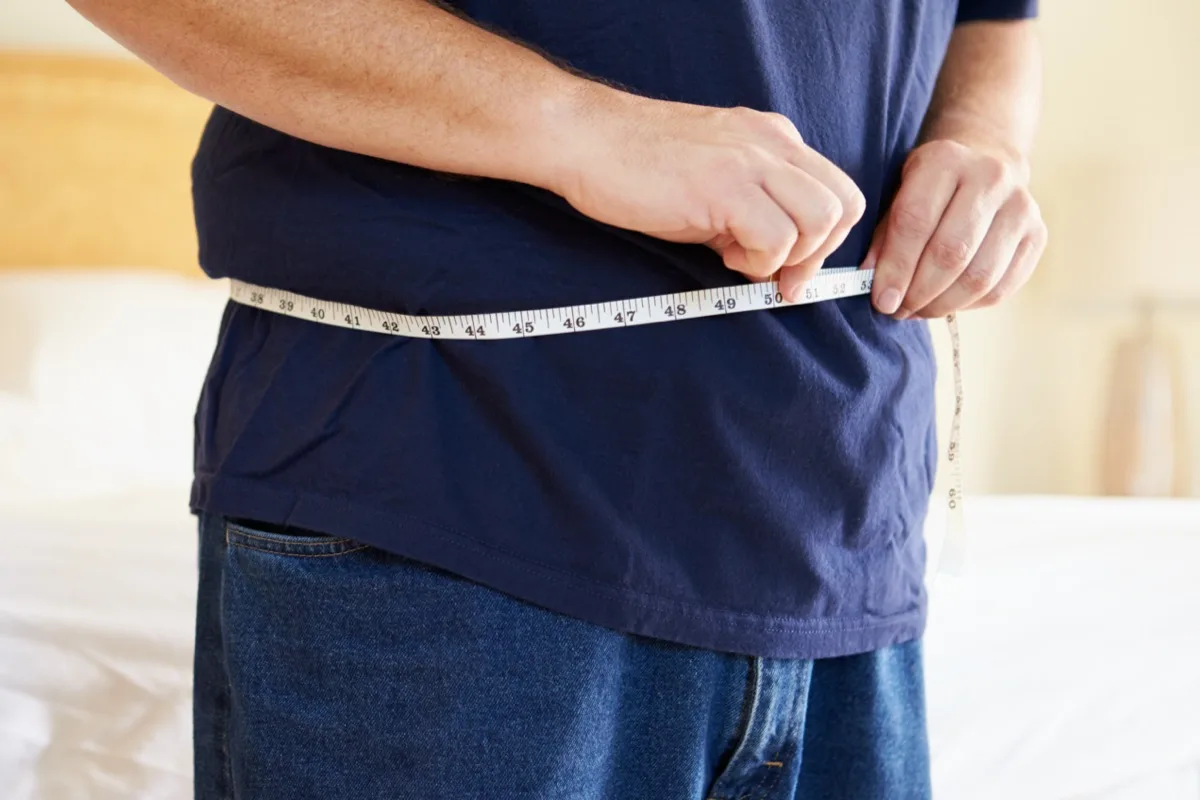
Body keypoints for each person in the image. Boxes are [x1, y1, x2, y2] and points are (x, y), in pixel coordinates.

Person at [70, 0, 1046, 797]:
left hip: (846, 540)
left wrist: (985, 140)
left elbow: (994, 16)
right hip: (448, 518)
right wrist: (579, 127)